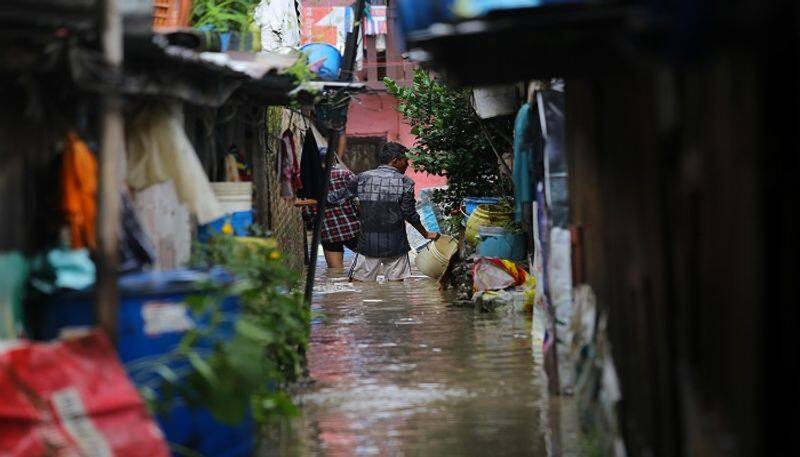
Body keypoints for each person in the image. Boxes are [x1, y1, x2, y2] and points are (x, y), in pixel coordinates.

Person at [328, 142, 438, 282]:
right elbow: (409, 214)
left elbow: (334, 198)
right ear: (395, 160)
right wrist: (426, 233)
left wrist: (309, 200)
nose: (407, 165)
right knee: (396, 291)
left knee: (359, 286)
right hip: (396, 244)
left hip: (368, 244)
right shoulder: (405, 182)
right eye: (405, 161)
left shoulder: (362, 178)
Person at [299, 135, 361, 268]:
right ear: (334, 160)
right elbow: (361, 199)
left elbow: (307, 215)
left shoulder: (310, 184)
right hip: (352, 229)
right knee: (370, 267)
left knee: (335, 274)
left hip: (328, 234)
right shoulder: (345, 175)